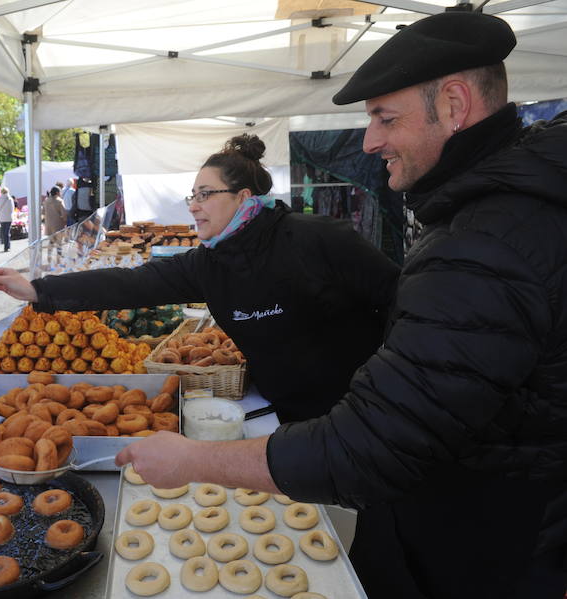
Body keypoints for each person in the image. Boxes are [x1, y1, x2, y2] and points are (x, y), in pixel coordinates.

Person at [115, 12, 567, 599]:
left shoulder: (484, 242)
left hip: (480, 540)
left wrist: (194, 460)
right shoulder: (506, 207)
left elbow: (369, 445)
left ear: (454, 105)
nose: (369, 141)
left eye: (385, 117)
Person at [0, 133, 400, 424]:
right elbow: (131, 284)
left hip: (364, 410)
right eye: (192, 196)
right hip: (285, 413)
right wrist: (38, 289)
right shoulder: (209, 263)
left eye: (205, 194)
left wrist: (392, 383)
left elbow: (400, 296)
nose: (194, 207)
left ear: (242, 199)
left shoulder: (316, 238)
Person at [0, 186, 14, 252]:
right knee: (7, 232)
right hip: (8, 218)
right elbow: (12, 209)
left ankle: (5, 246)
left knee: (4, 233)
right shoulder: (10, 199)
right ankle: (7, 246)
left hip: (1, 218)